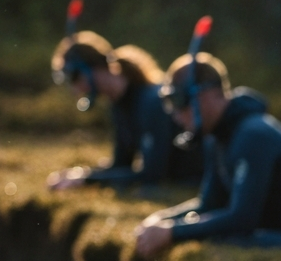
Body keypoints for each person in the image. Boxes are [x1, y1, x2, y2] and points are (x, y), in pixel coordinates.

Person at [134, 53, 281, 257]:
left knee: (227, 239)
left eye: (179, 101)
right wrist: (160, 221)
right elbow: (209, 204)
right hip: (276, 234)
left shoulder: (253, 135)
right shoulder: (216, 138)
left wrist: (173, 233)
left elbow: (242, 219)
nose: (176, 115)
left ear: (207, 94)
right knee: (221, 237)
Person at [47, 32, 198, 189]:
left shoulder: (152, 103)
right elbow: (121, 164)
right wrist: (80, 175)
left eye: (74, 77)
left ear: (96, 68)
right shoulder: (118, 105)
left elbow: (152, 174)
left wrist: (87, 180)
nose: (74, 89)